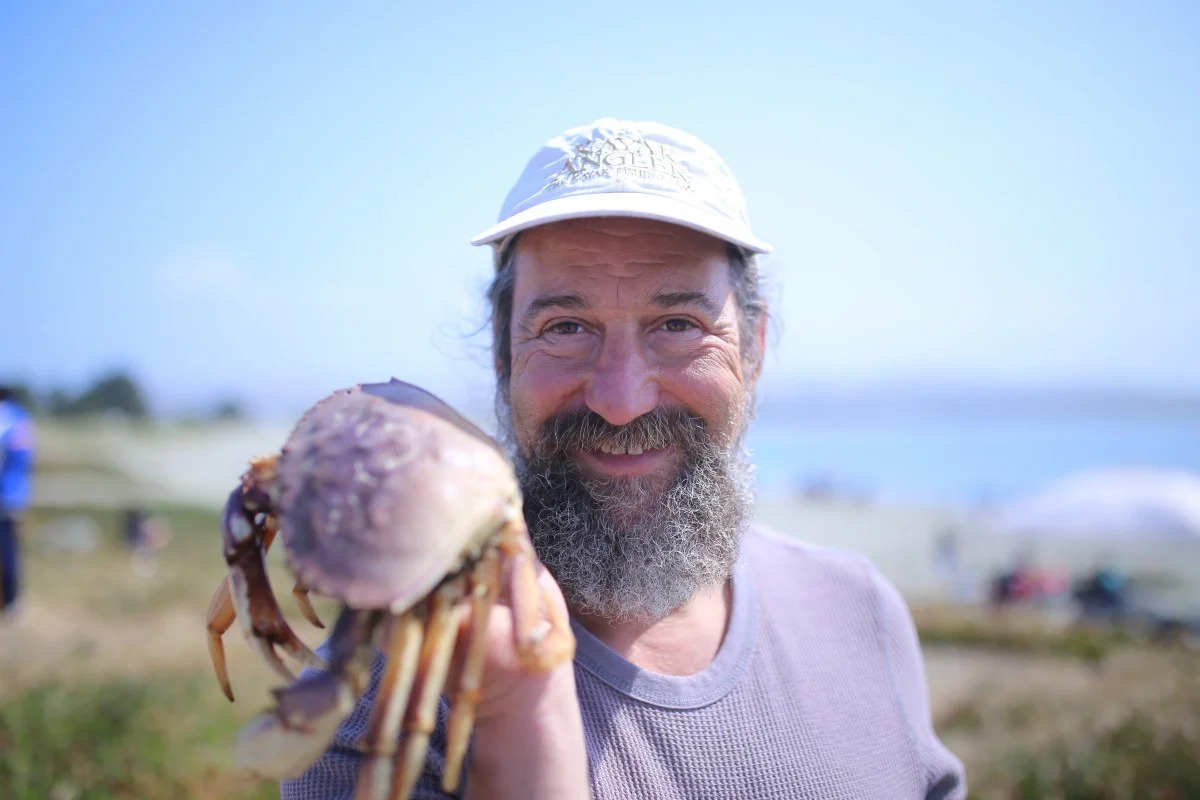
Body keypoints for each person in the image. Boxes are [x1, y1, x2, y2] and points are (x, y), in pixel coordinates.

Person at [282, 119, 965, 799]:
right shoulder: (382, 701)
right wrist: (527, 702)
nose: (621, 401)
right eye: (566, 329)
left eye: (677, 326)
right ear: (502, 356)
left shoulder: (860, 611)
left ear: (752, 352)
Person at [0, 386, 35, 619]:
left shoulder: (4, 417)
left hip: (3, 494)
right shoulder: (23, 418)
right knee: (11, 549)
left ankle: (10, 602)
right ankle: (13, 601)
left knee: (6, 549)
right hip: (18, 495)